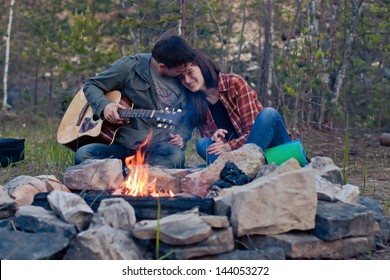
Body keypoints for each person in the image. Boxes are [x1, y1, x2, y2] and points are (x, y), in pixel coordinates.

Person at [74, 35, 195, 168]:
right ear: (162, 66)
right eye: (179, 72)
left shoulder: (186, 79)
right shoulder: (130, 67)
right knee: (83, 155)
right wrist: (105, 106)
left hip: (157, 149)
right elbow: (91, 86)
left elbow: (188, 117)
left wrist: (181, 136)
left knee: (176, 157)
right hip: (121, 146)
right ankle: (136, 173)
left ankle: (129, 174)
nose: (185, 75)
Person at [180, 49, 292, 164]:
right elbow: (216, 146)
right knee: (203, 144)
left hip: (270, 148)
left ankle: (239, 171)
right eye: (181, 77)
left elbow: (254, 133)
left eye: (190, 72)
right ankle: (238, 171)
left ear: (202, 67)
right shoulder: (196, 103)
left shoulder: (234, 83)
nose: (187, 80)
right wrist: (218, 140)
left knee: (269, 114)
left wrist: (228, 146)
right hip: (237, 157)